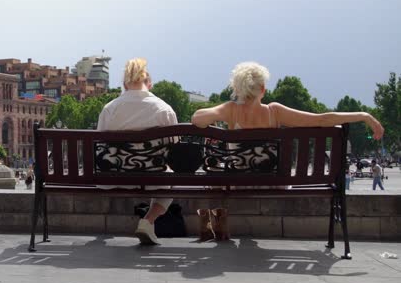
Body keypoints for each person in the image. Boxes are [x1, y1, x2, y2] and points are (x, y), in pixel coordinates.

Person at [192, 62, 385, 235]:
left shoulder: (230, 109)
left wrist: (224, 109)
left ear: (238, 89)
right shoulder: (274, 112)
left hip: (238, 179)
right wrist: (364, 115)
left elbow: (197, 118)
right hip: (274, 180)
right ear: (263, 89)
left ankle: (214, 225)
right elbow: (321, 119)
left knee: (214, 171)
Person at [97, 58, 178, 246]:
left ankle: (148, 223)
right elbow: (174, 149)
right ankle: (148, 221)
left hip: (114, 176)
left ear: (125, 84)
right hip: (154, 176)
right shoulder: (164, 109)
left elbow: (100, 145)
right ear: (148, 83)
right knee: (174, 178)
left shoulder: (110, 109)